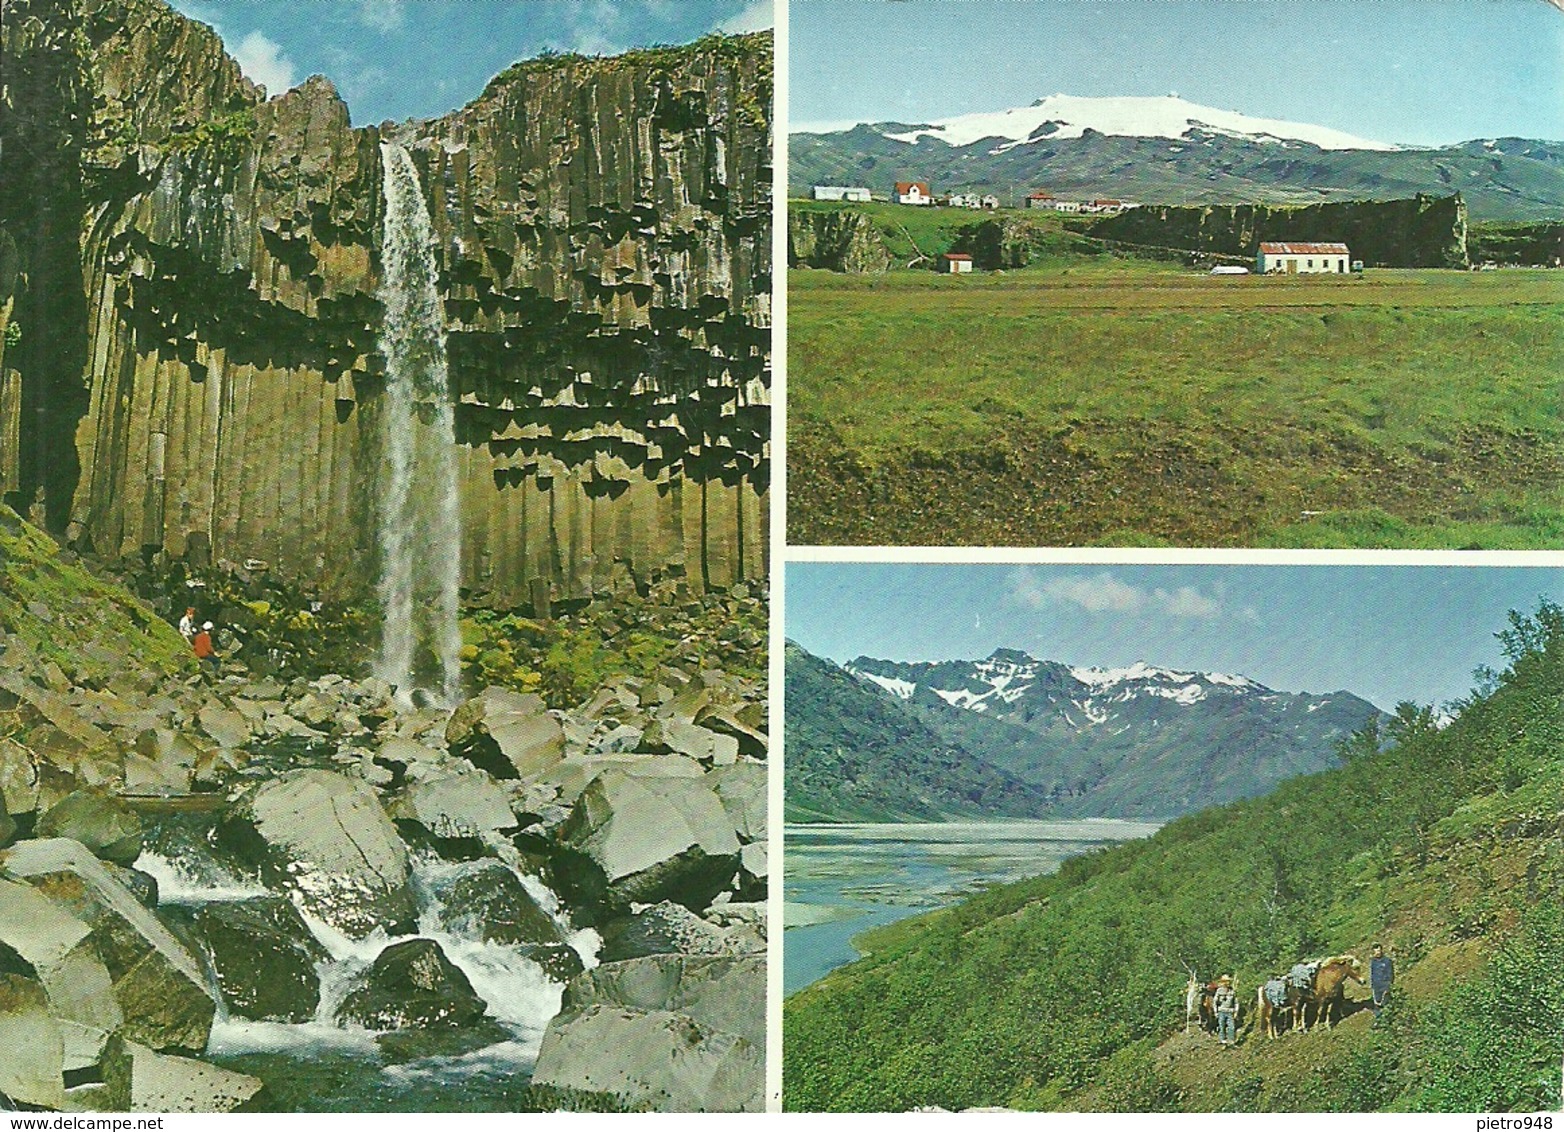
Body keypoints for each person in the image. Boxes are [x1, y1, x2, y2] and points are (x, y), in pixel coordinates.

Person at [1213, 974, 1239, 1046]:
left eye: (1228, 981)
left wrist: (1236, 1011)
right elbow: (1215, 1001)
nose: (1227, 983)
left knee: (1232, 1026)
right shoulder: (1219, 991)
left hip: (1230, 1011)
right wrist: (1215, 1011)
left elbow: (1236, 1002)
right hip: (1221, 1011)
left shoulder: (1232, 991)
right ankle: (1223, 1040)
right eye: (1225, 981)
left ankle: (1231, 1040)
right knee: (1222, 1026)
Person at [1370, 943, 1393, 1020]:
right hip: (1376, 986)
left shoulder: (1387, 961)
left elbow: (1390, 974)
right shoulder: (1373, 962)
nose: (1377, 953)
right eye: (1375, 951)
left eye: (1379, 951)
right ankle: (1378, 1020)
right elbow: (1372, 974)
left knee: (1385, 1003)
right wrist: (1373, 986)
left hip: (1385, 985)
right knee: (1377, 1004)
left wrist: (1388, 986)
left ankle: (1388, 1019)